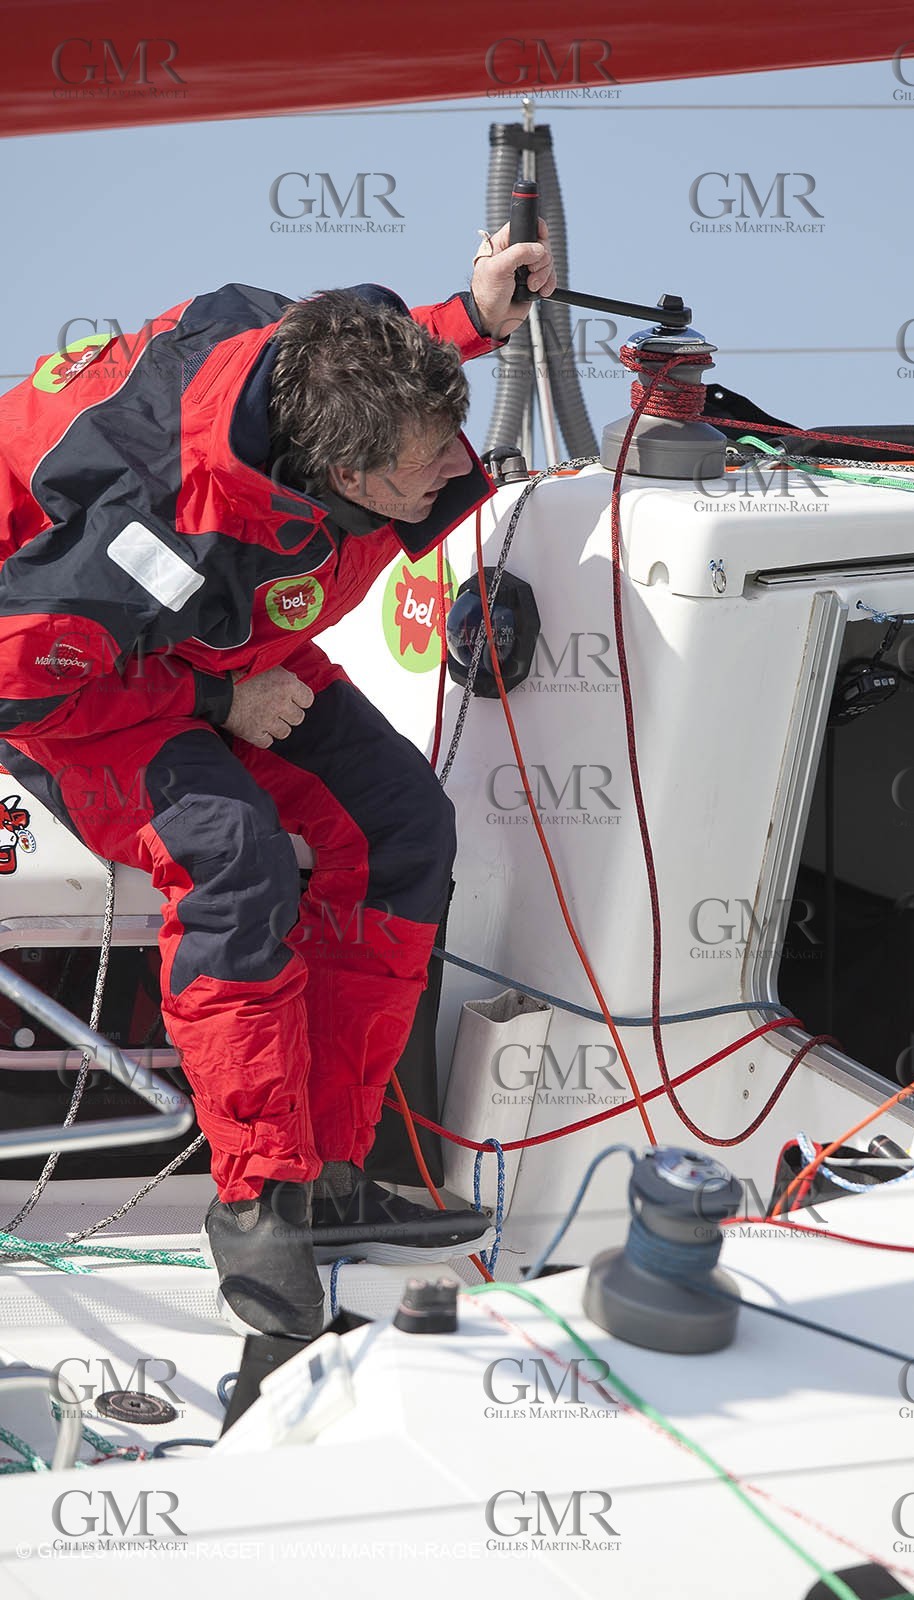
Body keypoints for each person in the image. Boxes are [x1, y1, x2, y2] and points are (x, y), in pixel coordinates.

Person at [0, 222, 556, 1337]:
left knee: (404, 829)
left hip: (221, 628)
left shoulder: (324, 352)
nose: (458, 467)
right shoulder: (137, 527)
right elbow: (22, 676)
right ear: (342, 475)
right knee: (234, 854)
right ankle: (258, 1202)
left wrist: (475, 318)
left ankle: (333, 1175)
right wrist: (216, 707)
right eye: (428, 460)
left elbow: (388, 335)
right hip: (70, 667)